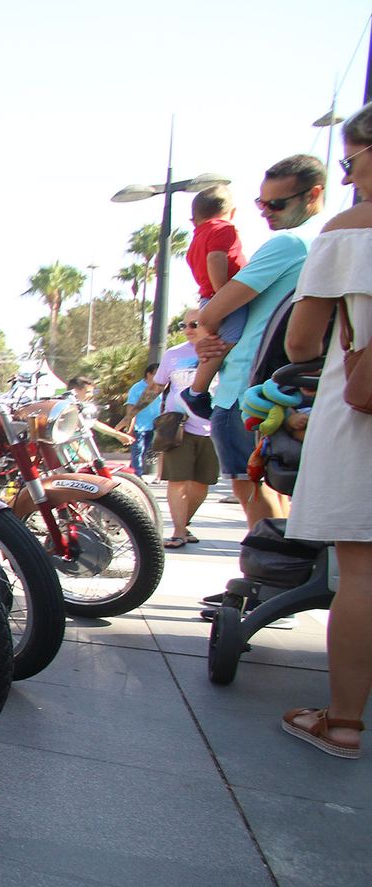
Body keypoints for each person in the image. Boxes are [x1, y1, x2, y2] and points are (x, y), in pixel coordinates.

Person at [274, 107, 372, 760]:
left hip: (360, 415)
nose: (348, 176)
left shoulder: (350, 230)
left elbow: (302, 342)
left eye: (350, 161)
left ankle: (342, 723)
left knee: (362, 570)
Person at [191, 155, 326, 531]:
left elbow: (212, 313)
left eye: (276, 203)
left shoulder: (289, 243)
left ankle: (267, 564)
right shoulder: (329, 240)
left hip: (246, 389)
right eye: (261, 202)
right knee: (279, 488)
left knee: (252, 489)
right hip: (286, 384)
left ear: (313, 195)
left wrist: (208, 335)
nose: (265, 211)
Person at [123, 315, 219, 549]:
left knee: (202, 483)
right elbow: (156, 387)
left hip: (214, 426)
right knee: (178, 480)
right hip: (178, 426)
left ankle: (183, 524)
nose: (188, 329)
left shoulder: (222, 348)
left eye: (194, 324)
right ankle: (178, 531)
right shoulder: (173, 354)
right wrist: (130, 414)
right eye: (183, 325)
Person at [182, 184, 250, 366]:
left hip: (207, 298)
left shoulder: (197, 239)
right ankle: (201, 381)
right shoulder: (223, 229)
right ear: (232, 212)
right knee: (225, 344)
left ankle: (200, 379)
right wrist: (224, 295)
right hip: (223, 298)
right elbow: (215, 258)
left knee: (213, 344)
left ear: (193, 220)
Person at [120, 366, 162, 477]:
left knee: (144, 452)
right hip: (139, 426)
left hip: (154, 425)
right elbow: (131, 407)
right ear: (149, 374)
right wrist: (129, 427)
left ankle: (132, 473)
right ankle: (137, 475)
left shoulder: (161, 387)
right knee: (138, 451)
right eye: (156, 373)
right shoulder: (137, 388)